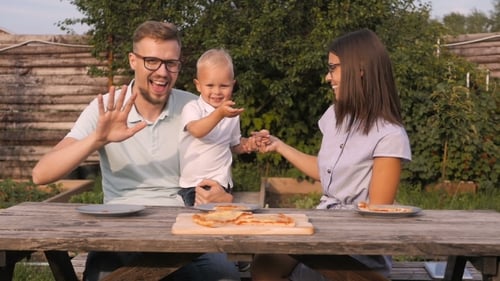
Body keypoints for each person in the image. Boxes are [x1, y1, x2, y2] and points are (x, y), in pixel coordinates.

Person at [32, 21, 240, 281]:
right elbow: (41, 174)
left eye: (171, 63)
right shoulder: (107, 108)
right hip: (118, 234)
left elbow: (222, 166)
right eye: (151, 61)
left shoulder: (197, 109)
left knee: (224, 277)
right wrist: (97, 139)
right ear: (133, 60)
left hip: (184, 232)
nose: (162, 72)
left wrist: (224, 199)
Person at [251, 28, 412, 281]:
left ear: (359, 68)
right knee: (264, 263)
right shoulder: (334, 116)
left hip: (357, 245)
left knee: (301, 270)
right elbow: (325, 171)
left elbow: (378, 215)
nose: (328, 77)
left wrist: (317, 243)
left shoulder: (390, 135)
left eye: (333, 67)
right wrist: (279, 145)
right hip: (322, 226)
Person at [178, 48, 260, 206]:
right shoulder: (193, 108)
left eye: (224, 86)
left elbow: (234, 145)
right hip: (195, 185)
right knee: (197, 223)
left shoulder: (230, 114)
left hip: (222, 185)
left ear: (232, 85)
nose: (216, 91)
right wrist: (220, 113)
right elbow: (197, 130)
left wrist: (250, 144)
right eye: (210, 85)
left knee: (222, 221)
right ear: (198, 85)